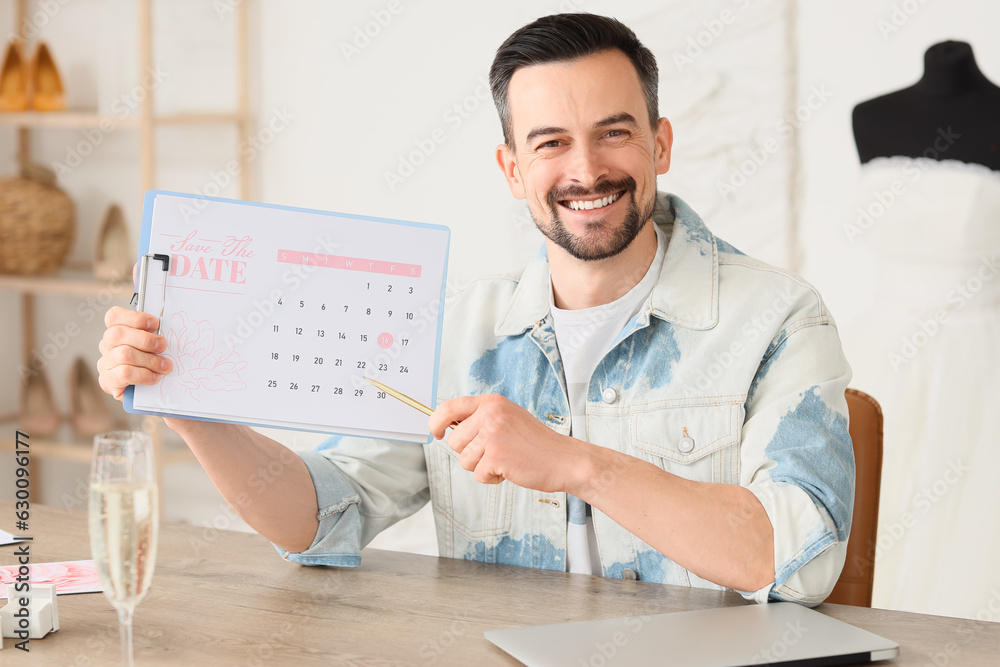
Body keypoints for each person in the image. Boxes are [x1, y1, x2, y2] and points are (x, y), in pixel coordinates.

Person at [97, 13, 854, 606]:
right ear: (513, 169)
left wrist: (573, 463)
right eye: (551, 143)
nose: (586, 169)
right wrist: (186, 400)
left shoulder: (780, 318)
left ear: (659, 144)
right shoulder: (455, 328)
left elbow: (801, 557)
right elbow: (324, 518)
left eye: (614, 133)